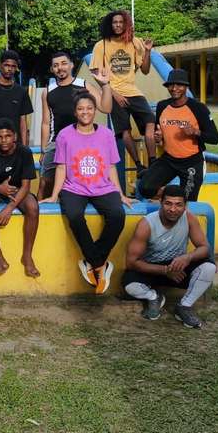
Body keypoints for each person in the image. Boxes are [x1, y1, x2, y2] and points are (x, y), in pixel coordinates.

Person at [41, 91, 133, 294]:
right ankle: (101, 264)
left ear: (95, 111)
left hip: (103, 187)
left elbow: (110, 167)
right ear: (75, 112)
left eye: (89, 108)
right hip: (74, 188)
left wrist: (120, 193)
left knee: (118, 216)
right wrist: (54, 195)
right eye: (81, 109)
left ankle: (92, 262)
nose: (85, 112)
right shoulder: (65, 135)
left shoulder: (107, 135)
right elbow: (62, 167)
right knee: (74, 215)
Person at [122, 185, 216, 328]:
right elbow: (131, 262)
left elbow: (204, 248)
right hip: (153, 269)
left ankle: (184, 306)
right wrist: (165, 270)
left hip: (178, 267)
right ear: (161, 202)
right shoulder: (146, 224)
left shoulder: (189, 218)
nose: (173, 209)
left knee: (209, 267)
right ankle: (154, 297)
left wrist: (187, 258)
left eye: (178, 204)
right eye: (168, 203)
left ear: (185, 206)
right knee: (129, 284)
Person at [38, 52, 113, 198]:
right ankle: (40, 216)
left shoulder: (84, 85)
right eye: (56, 65)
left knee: (78, 183)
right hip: (56, 143)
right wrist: (43, 150)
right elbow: (46, 123)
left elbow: (106, 108)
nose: (60, 68)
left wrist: (105, 85)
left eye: (64, 63)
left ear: (71, 65)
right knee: (45, 183)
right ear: (52, 69)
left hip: (82, 144)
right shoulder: (48, 92)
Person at [138, 69, 218, 202]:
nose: (174, 88)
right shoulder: (162, 106)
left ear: (186, 87)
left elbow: (215, 138)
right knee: (145, 188)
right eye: (171, 85)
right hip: (169, 160)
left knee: (187, 202)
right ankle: (168, 193)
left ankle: (175, 197)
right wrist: (160, 137)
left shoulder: (199, 108)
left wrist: (195, 132)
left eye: (179, 85)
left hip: (192, 162)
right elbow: (161, 132)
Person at [90, 10, 156, 174]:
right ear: (110, 25)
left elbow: (146, 70)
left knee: (150, 121)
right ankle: (139, 166)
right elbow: (96, 74)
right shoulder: (102, 45)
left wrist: (147, 51)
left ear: (126, 24)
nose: (118, 25)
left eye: (121, 22)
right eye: (114, 22)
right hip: (114, 92)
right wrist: (114, 94)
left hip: (133, 91)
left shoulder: (135, 43)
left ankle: (153, 161)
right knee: (124, 130)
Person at [0, 118, 40, 278]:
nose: (4, 140)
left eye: (8, 136)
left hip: (17, 190)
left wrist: (9, 208)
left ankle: (27, 256)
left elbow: (26, 186)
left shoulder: (24, 152)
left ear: (15, 136)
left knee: (33, 207)